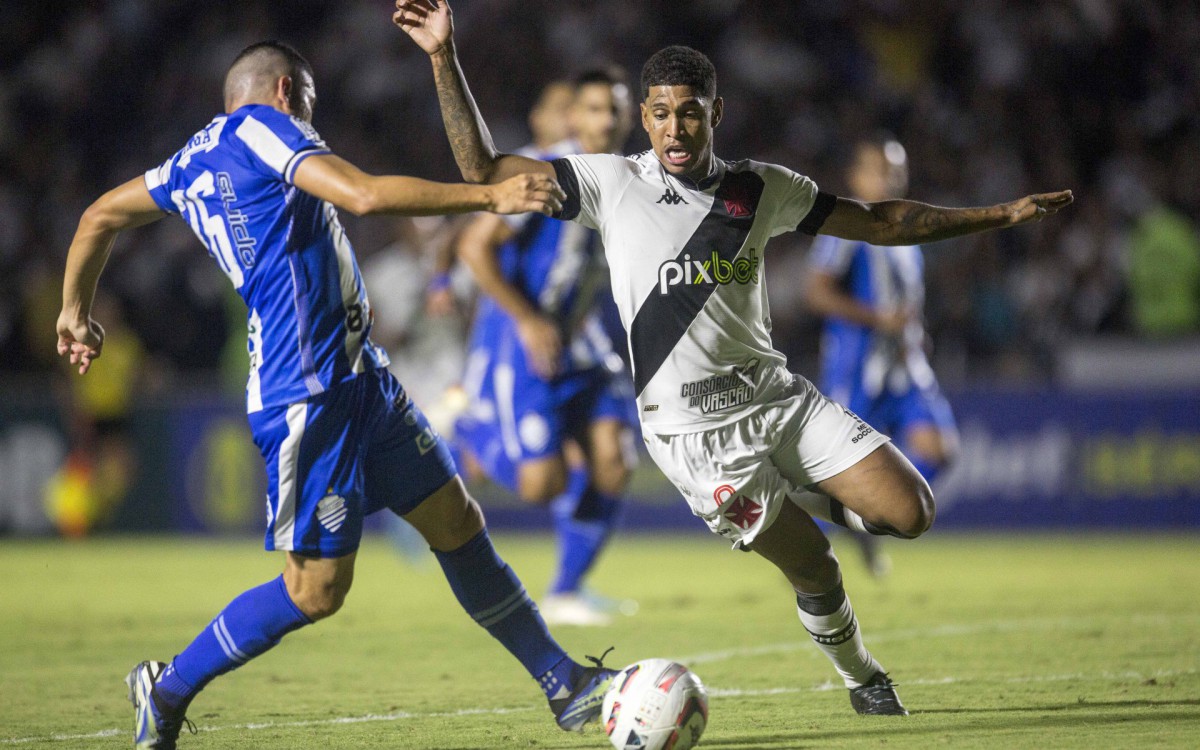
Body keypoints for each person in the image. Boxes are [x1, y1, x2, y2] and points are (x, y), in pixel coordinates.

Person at [394, 0, 1071, 717]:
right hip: (698, 441)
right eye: (659, 114)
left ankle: (804, 490)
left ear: (716, 111)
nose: (673, 129)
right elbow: (483, 167)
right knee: (813, 563)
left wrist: (997, 215)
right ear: (645, 119)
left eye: (689, 113)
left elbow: (878, 221)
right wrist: (444, 57)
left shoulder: (761, 188)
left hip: (778, 400)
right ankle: (863, 676)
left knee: (914, 511)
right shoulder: (609, 184)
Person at [55, 40, 616, 749]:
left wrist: (74, 311)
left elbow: (98, 216)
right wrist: (488, 196)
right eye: (308, 109)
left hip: (361, 378)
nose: (311, 128)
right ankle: (164, 690)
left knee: (456, 521)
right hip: (305, 394)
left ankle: (561, 681)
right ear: (287, 90)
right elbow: (364, 195)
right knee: (316, 591)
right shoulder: (266, 124)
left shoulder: (187, 163)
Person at [452, 69, 639, 626]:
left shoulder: (635, 180)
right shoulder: (548, 174)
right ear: (574, 117)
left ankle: (564, 591)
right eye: (595, 109)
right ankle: (470, 430)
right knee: (543, 484)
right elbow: (473, 244)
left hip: (583, 343)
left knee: (615, 459)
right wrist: (530, 321)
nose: (606, 121)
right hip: (529, 343)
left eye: (615, 110)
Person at [804, 136, 960, 577]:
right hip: (857, 369)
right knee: (836, 471)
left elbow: (904, 301)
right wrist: (878, 319)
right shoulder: (848, 226)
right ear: (856, 177)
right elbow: (816, 293)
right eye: (879, 170)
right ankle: (803, 550)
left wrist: (912, 332)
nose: (890, 179)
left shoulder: (907, 233)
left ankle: (862, 521)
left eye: (897, 170)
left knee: (939, 448)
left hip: (905, 367)